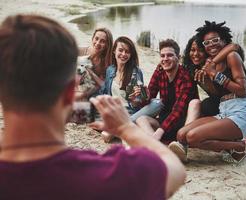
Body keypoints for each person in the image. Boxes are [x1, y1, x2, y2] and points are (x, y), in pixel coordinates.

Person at [0, 14, 186, 199]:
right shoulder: (103, 174)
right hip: (119, 116)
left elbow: (138, 98)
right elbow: (174, 169)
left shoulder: (129, 71)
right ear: (68, 93)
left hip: (127, 109)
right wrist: (125, 128)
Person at [168, 21, 246, 163]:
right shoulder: (208, 64)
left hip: (239, 113)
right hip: (223, 112)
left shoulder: (232, 56)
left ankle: (241, 146)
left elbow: (243, 90)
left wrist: (215, 74)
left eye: (215, 40)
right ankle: (232, 148)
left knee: (192, 137)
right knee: (181, 134)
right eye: (207, 43)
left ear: (224, 40)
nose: (211, 44)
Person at [93, 36, 163, 142]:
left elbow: (139, 101)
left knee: (158, 103)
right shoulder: (110, 70)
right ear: (114, 51)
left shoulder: (136, 72)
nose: (124, 54)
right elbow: (104, 93)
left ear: (131, 54)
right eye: (121, 50)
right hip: (116, 113)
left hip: (131, 112)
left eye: (127, 52)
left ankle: (117, 130)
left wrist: (137, 98)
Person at [182, 35, 246, 118]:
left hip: (244, 102)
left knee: (207, 105)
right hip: (223, 104)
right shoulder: (193, 70)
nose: (196, 54)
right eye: (192, 50)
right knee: (205, 105)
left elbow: (234, 46)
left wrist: (211, 69)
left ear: (206, 51)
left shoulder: (220, 63)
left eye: (200, 50)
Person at [136, 39, 196, 142]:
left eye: (170, 55)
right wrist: (144, 96)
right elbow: (149, 101)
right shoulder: (159, 71)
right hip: (163, 123)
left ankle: (157, 143)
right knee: (141, 119)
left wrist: (159, 132)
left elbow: (178, 111)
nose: (165, 59)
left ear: (179, 58)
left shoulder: (185, 77)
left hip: (181, 125)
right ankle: (158, 145)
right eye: (162, 56)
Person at [76, 27, 113, 100]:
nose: (98, 43)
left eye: (102, 41)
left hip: (90, 93)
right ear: (92, 38)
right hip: (73, 87)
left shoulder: (107, 62)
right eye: (96, 38)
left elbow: (102, 85)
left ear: (107, 45)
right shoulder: (80, 51)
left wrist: (84, 94)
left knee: (80, 107)